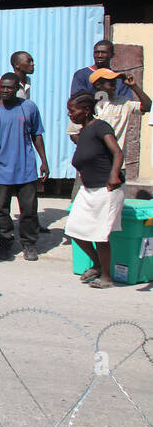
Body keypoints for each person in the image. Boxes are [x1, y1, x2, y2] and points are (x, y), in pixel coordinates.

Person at [0, 72, 48, 262]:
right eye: (3, 87)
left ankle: (29, 243)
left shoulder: (29, 107)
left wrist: (44, 161)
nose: (5, 90)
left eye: (9, 87)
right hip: (0, 169)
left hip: (26, 169)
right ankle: (5, 242)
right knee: (0, 210)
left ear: (17, 88)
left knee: (29, 209)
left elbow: (37, 135)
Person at [64, 92, 125, 288]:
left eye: (73, 111)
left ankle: (107, 277)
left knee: (100, 235)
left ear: (87, 110)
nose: (70, 115)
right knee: (74, 229)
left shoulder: (101, 127)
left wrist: (114, 175)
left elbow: (117, 152)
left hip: (106, 189)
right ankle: (97, 265)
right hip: (88, 190)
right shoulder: (83, 132)